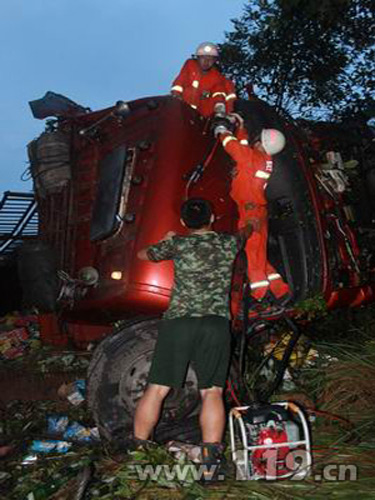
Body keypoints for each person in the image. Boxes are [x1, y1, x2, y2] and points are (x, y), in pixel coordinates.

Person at [134, 198, 240, 478]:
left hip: (179, 323)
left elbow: (143, 255)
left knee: (156, 389)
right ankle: (210, 462)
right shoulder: (228, 243)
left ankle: (140, 455)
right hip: (216, 324)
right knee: (212, 392)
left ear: (183, 223)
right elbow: (246, 233)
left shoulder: (177, 244)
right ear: (213, 218)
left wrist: (166, 238)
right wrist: (253, 224)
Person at [215, 115, 291, 307]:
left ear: (262, 142)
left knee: (253, 255)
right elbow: (244, 147)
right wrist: (240, 127)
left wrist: (222, 131)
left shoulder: (252, 158)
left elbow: (234, 148)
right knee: (260, 255)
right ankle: (280, 291)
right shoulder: (262, 159)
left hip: (250, 213)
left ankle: (260, 294)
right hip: (256, 211)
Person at [171, 42, 236, 118]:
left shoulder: (216, 78)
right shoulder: (189, 66)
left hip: (201, 119)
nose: (206, 61)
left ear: (214, 61)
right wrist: (176, 97)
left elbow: (219, 96)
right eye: (203, 58)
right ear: (197, 58)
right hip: (182, 111)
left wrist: (223, 111)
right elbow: (179, 83)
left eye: (210, 59)